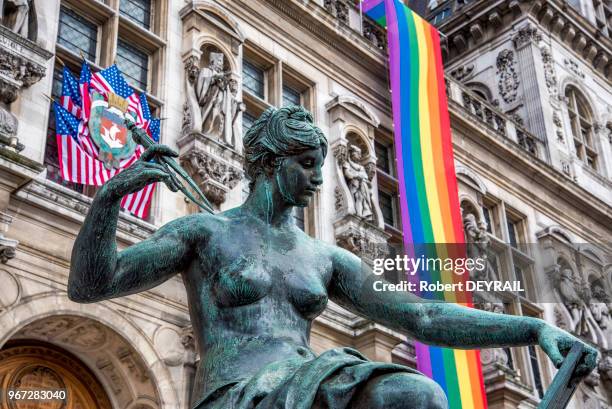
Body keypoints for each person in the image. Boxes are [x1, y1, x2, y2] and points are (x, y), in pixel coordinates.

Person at [69, 106, 597, 409]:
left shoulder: (324, 258)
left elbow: (423, 315)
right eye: (306, 164)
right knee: (410, 398)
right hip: (237, 395)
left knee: (419, 396)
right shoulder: (205, 232)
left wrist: (529, 331)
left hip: (309, 383)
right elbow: (94, 284)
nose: (320, 179)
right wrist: (109, 198)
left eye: (320, 165)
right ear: (271, 164)